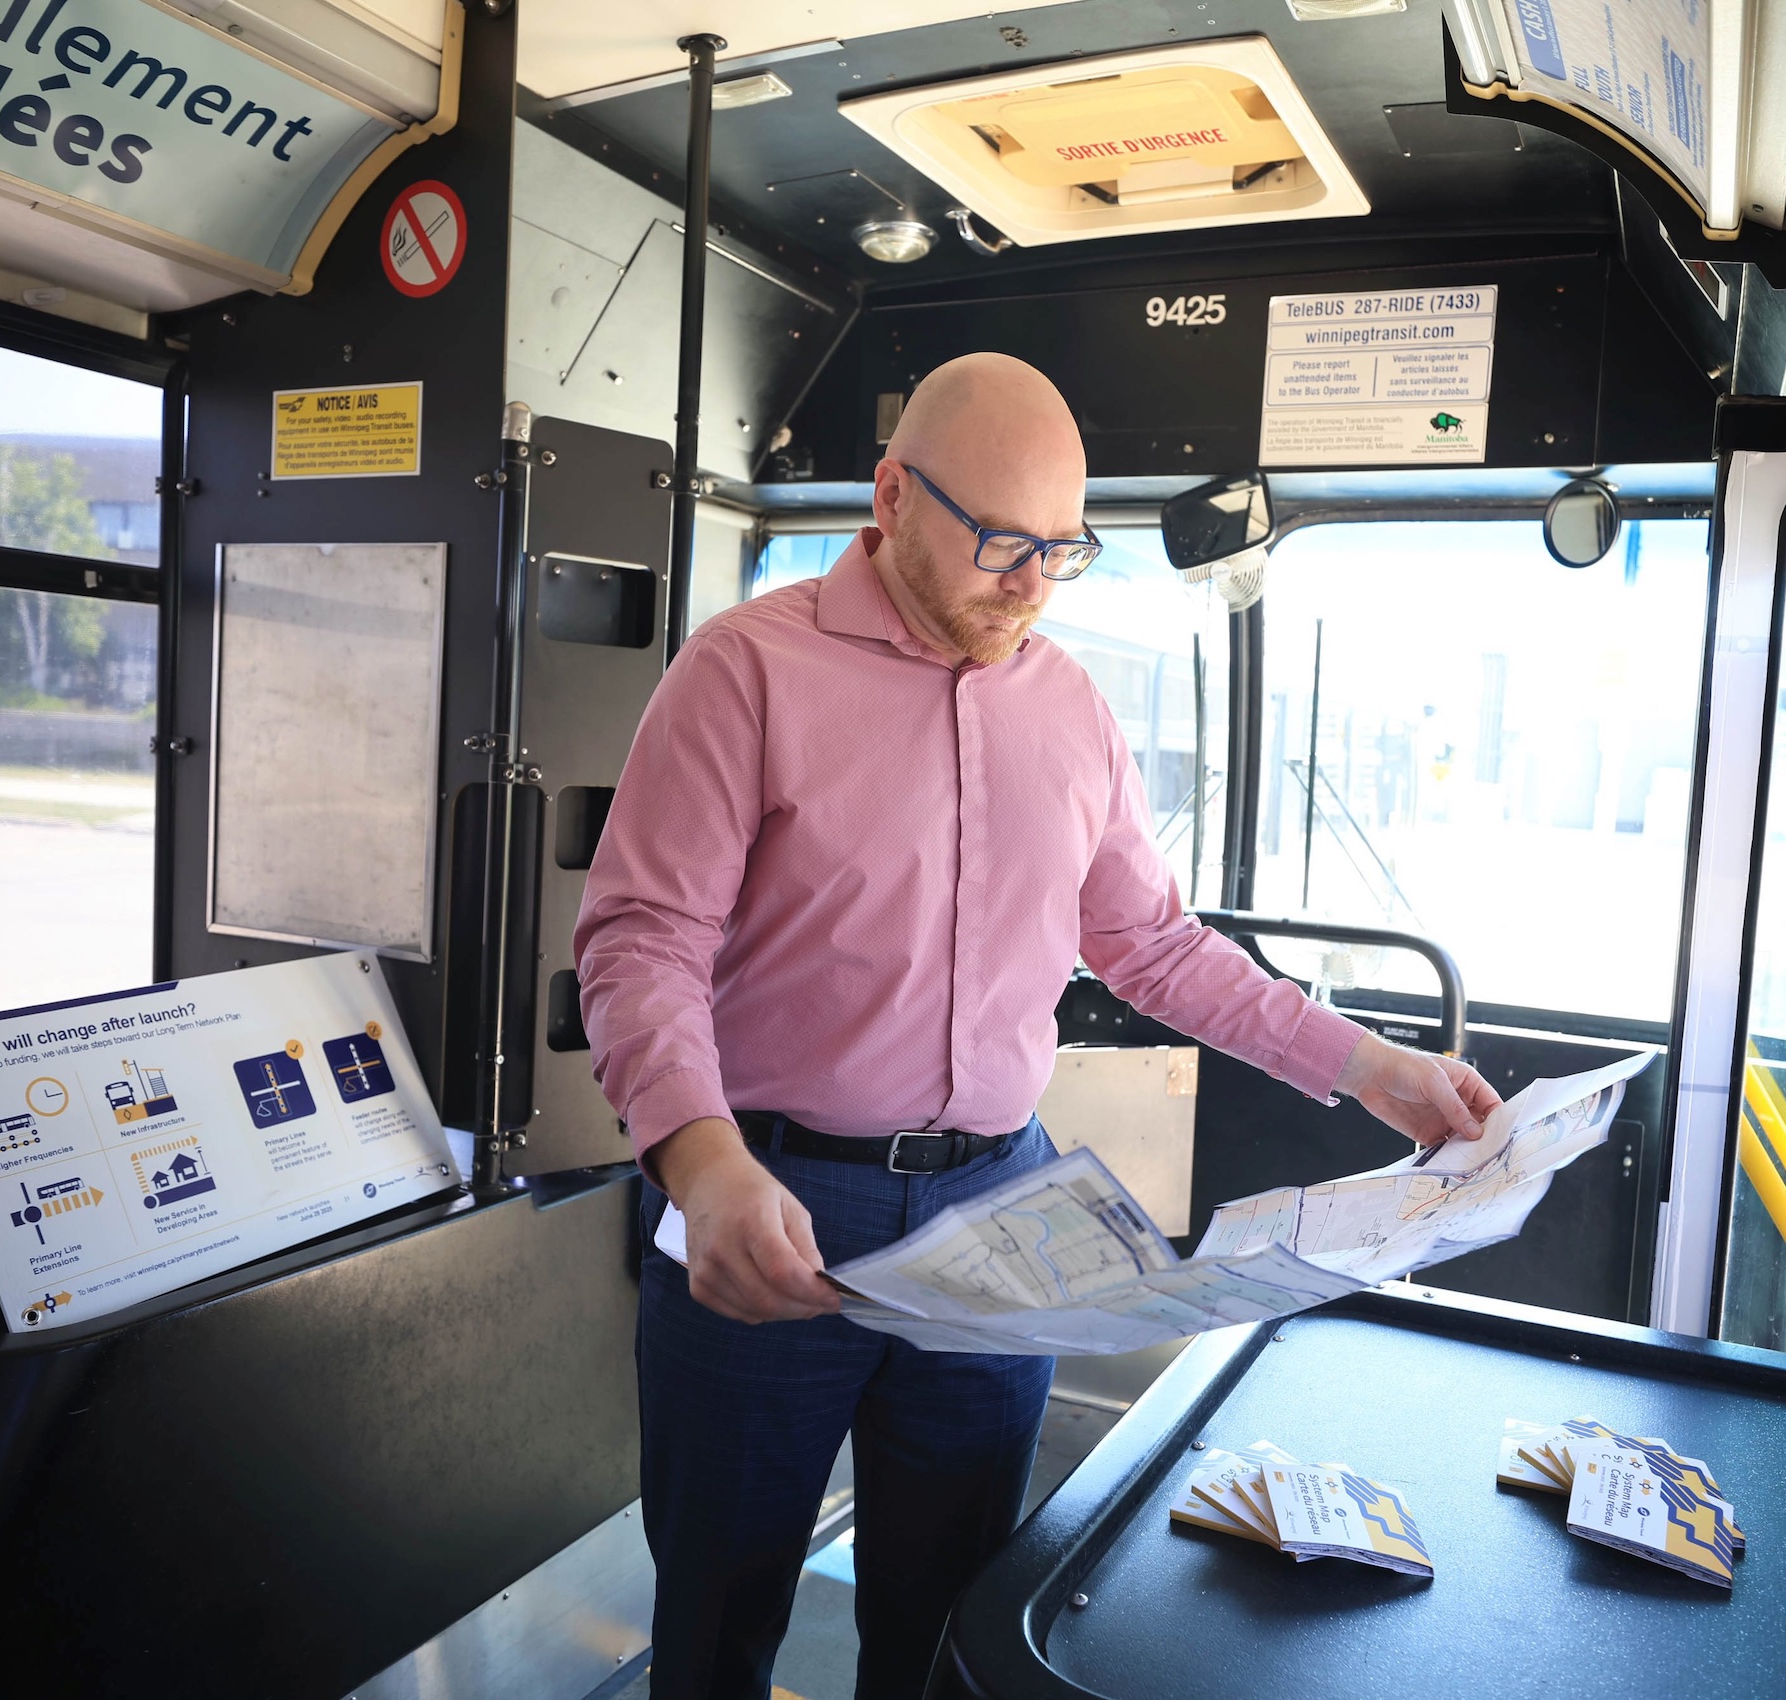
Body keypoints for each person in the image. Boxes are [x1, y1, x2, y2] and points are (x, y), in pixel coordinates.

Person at [574, 352, 1502, 1700]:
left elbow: (1151, 946)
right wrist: (700, 1163)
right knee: (716, 1626)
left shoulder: (1067, 706)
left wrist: (1369, 1068)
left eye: (1061, 551)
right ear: (891, 495)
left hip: (997, 1219)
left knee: (951, 1628)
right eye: (1001, 542)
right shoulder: (743, 673)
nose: (1030, 584)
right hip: (765, 1191)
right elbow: (637, 939)